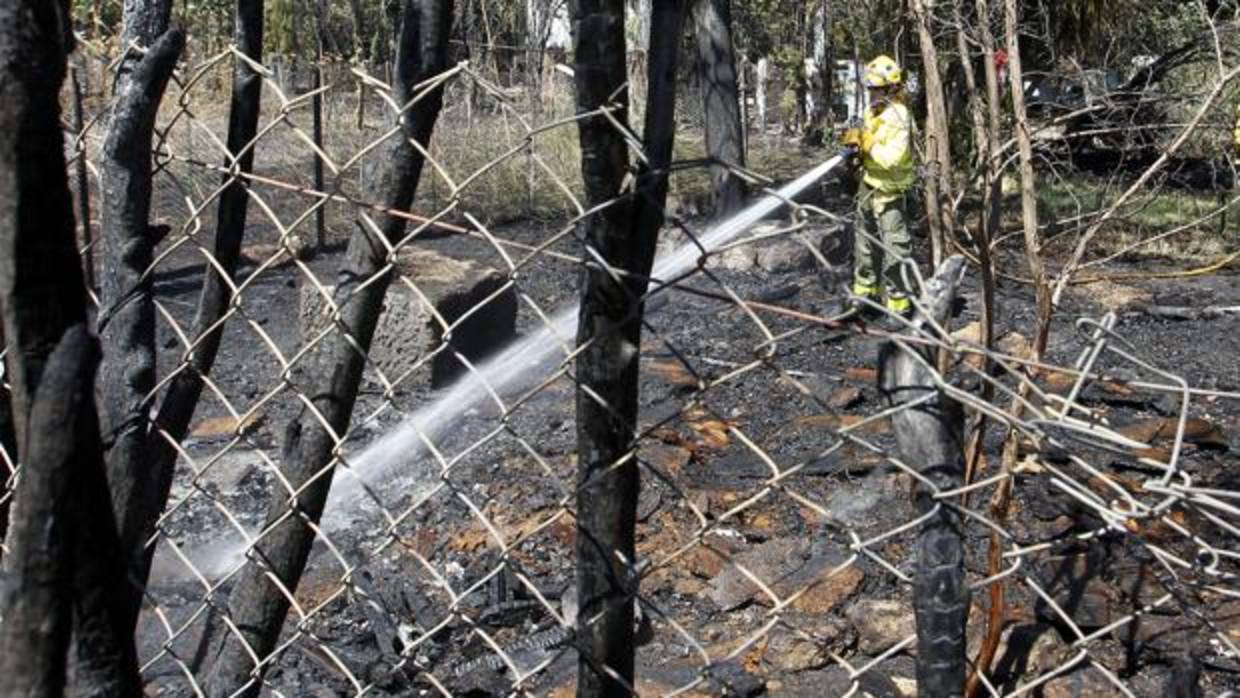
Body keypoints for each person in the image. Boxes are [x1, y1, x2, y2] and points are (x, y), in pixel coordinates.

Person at [839, 55, 917, 320]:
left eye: (876, 89)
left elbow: (891, 159)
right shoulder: (871, 111)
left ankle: (899, 305)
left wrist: (868, 142)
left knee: (895, 250)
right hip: (868, 186)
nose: (871, 93)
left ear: (891, 88)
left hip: (891, 191)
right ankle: (865, 295)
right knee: (864, 244)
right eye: (870, 88)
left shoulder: (900, 116)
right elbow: (866, 142)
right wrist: (854, 145)